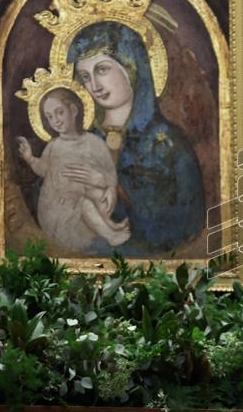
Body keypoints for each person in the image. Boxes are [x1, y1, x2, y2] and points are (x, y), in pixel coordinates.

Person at [67, 21, 206, 257]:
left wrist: (116, 187)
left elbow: (186, 220)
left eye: (102, 70)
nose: (95, 86)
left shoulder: (168, 144)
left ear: (131, 67)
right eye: (85, 76)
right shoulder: (82, 140)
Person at [18, 88, 131, 251]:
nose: (55, 120)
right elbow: (43, 169)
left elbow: (109, 172)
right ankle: (110, 234)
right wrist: (30, 158)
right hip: (57, 206)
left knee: (98, 195)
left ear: (74, 110)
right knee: (84, 202)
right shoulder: (53, 146)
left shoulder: (94, 143)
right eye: (49, 117)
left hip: (82, 196)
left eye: (59, 112)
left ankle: (111, 226)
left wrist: (110, 188)